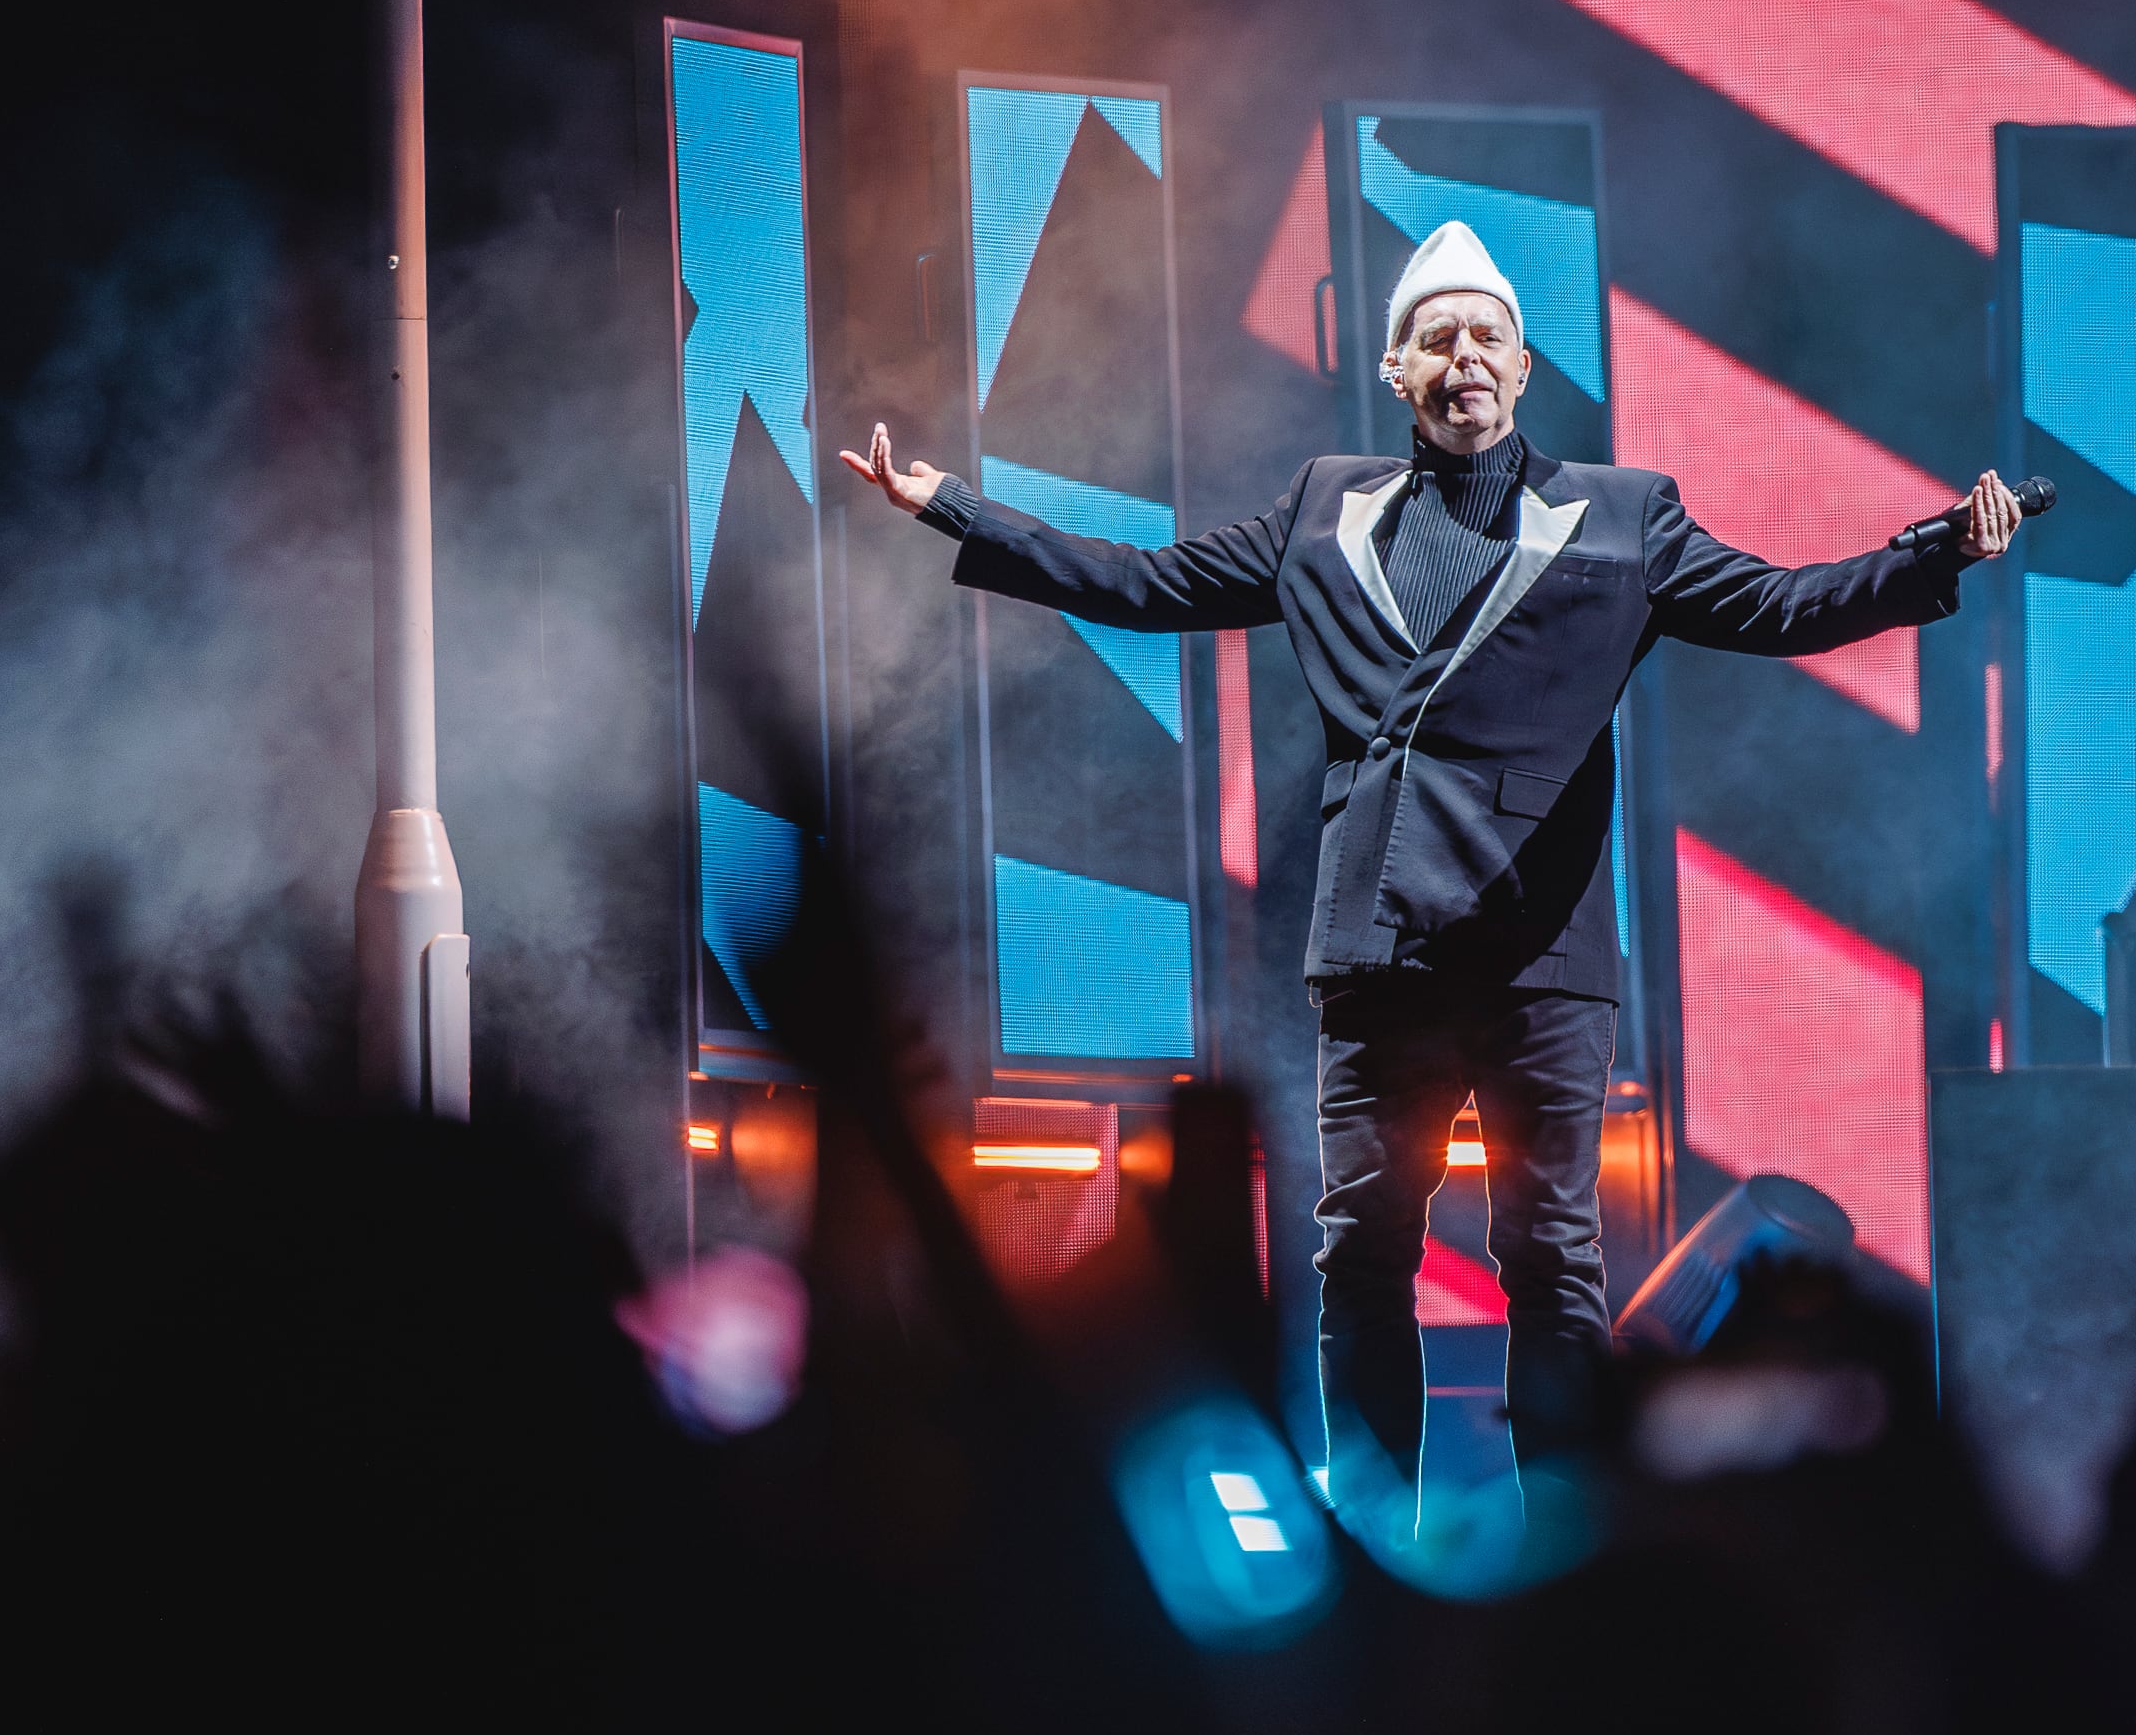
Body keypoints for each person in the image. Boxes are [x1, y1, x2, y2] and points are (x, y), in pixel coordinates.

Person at [844, 219, 2017, 1492]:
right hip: (1381, 948)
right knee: (1361, 1254)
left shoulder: (1621, 517)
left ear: (1521, 368)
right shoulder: (1321, 512)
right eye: (1436, 336)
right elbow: (1148, 581)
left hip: (1541, 948)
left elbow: (1783, 605)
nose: (1465, 354)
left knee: (1552, 1255)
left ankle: (1567, 1535)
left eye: (1488, 335)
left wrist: (1934, 550)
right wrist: (953, 506)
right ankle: (1370, 1533)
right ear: (1397, 372)